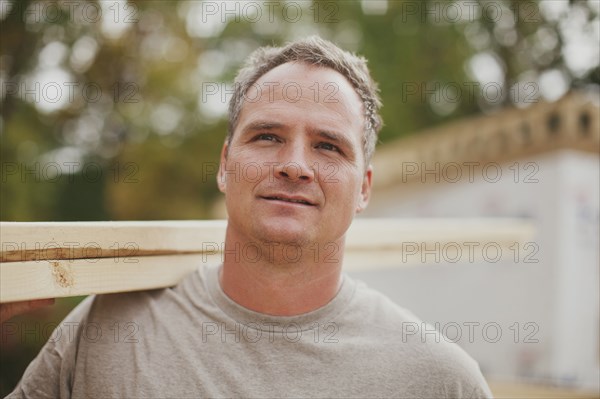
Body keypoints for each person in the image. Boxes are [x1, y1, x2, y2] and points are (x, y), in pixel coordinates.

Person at [6, 36, 493, 398]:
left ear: (363, 188)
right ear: (223, 166)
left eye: (328, 146)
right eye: (266, 137)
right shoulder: (107, 330)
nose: (294, 165)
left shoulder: (438, 380)